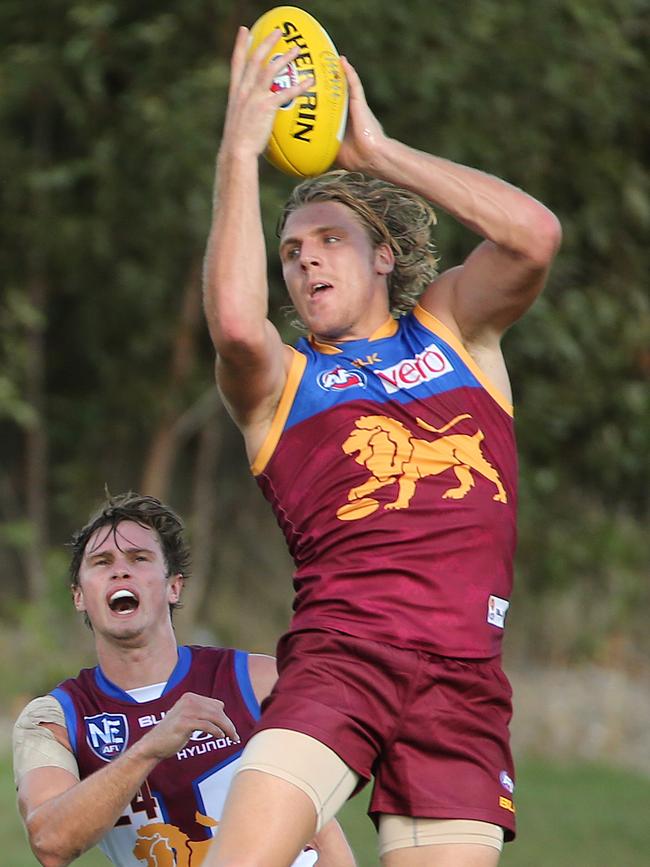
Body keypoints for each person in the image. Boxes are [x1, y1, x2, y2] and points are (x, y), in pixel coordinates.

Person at [201, 23, 562, 867]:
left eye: (329, 240)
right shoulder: (282, 384)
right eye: (290, 251)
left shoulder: (453, 330)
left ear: (384, 257)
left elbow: (533, 236)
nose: (305, 261)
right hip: (344, 659)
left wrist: (377, 149)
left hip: (465, 681)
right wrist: (238, 151)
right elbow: (230, 322)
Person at [12, 492, 355, 867]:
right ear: (79, 596)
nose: (120, 571)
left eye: (139, 558)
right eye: (102, 561)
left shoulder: (258, 681)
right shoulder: (53, 719)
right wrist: (151, 746)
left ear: (174, 587)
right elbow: (50, 842)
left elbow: (324, 830)